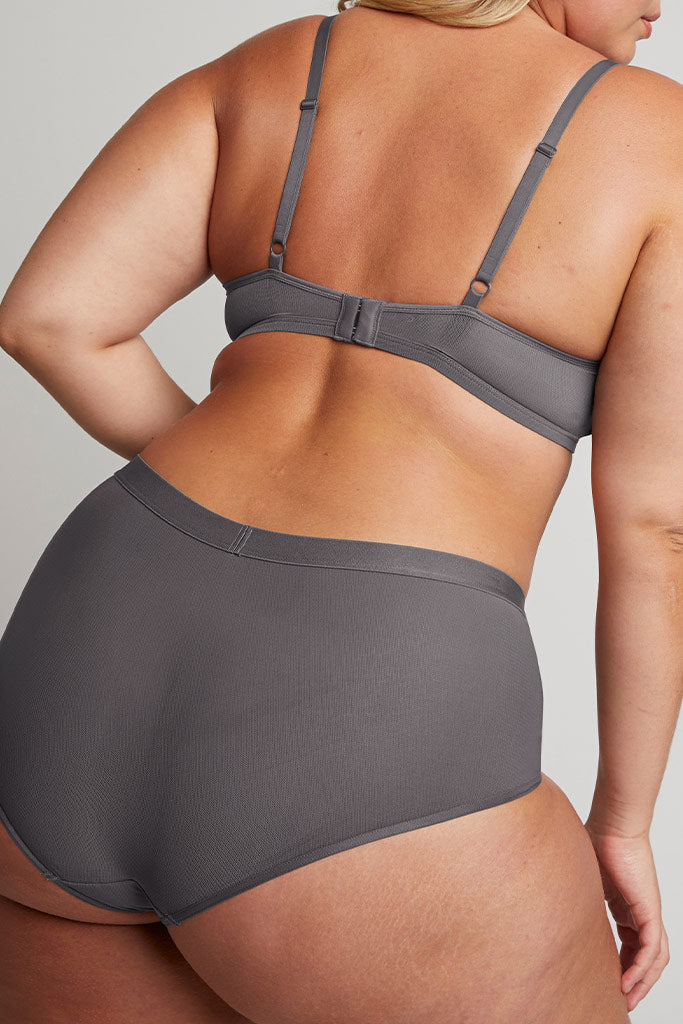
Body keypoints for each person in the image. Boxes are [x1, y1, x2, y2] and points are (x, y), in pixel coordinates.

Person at [0, 0, 679, 1020]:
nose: (658, 3)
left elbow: (48, 318)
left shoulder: (273, 63)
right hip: (368, 698)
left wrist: (233, 488)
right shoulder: (657, 137)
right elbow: (655, 527)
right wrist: (621, 821)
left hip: (82, 657)